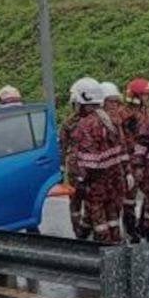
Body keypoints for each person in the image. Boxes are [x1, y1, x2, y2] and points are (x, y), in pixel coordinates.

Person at [68, 80, 126, 244]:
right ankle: (119, 248)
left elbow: (90, 162)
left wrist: (80, 181)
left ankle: (107, 256)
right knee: (113, 217)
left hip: (96, 183)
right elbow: (121, 150)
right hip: (114, 180)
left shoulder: (85, 125)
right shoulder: (111, 119)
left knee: (99, 222)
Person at [60, 77, 99, 239]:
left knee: (81, 202)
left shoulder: (71, 122)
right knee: (85, 202)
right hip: (87, 170)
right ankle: (84, 232)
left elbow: (62, 147)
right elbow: (62, 146)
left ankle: (82, 232)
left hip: (85, 170)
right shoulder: (100, 120)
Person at [124, 77, 149, 242]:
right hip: (132, 162)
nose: (148, 98)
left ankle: (146, 229)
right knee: (129, 198)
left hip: (147, 163)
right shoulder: (126, 115)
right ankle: (130, 229)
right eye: (145, 95)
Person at [100, 81, 136, 240]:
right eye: (111, 101)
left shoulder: (117, 122)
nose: (115, 105)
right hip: (99, 176)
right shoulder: (94, 123)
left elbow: (122, 149)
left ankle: (115, 240)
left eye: (116, 101)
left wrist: (127, 171)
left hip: (116, 173)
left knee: (115, 208)